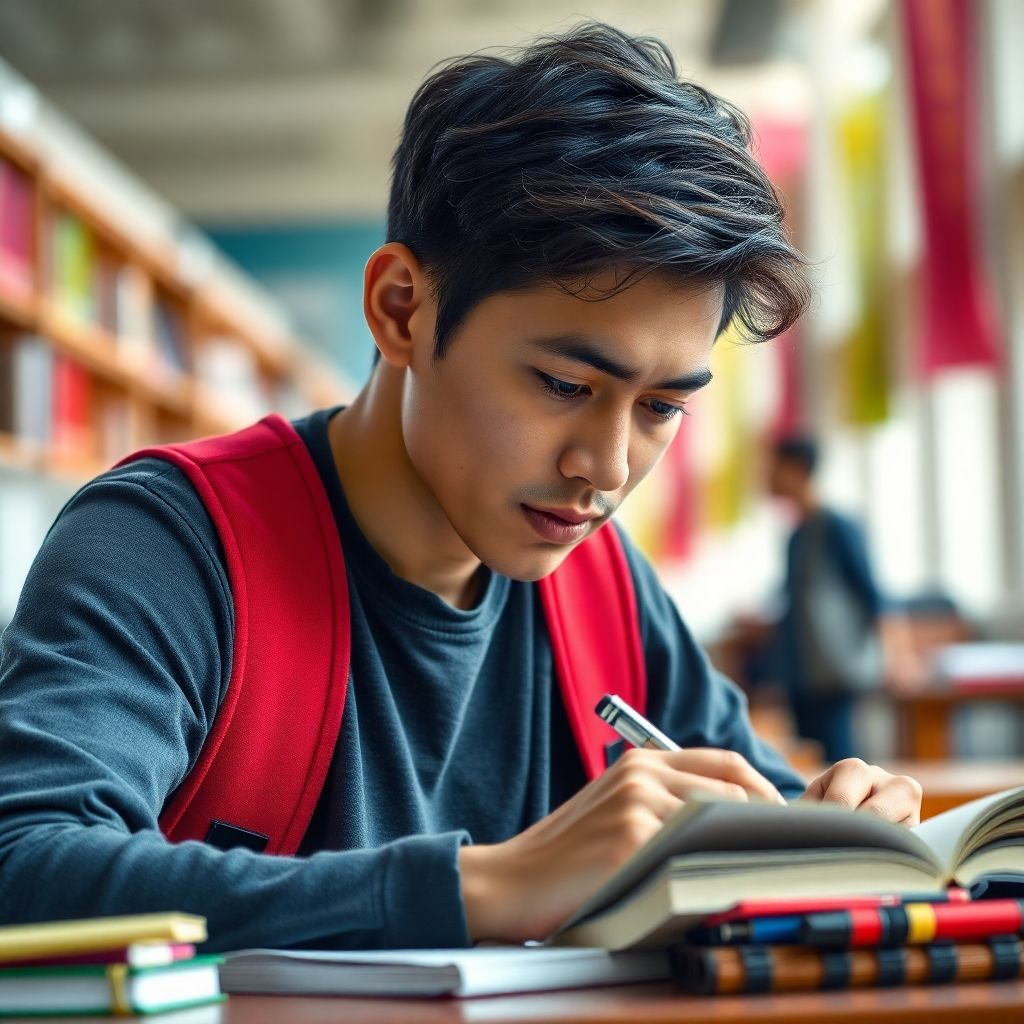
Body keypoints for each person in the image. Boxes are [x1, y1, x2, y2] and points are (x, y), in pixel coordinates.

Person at [0, 23, 922, 952]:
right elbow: (23, 861)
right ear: (402, 308)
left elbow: (754, 814)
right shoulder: (168, 545)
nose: (604, 470)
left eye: (660, 409)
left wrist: (832, 826)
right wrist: (487, 883)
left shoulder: (602, 586)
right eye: (565, 386)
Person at [768, 435, 923, 763]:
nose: (766, 476)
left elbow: (875, 594)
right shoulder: (797, 535)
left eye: (773, 467)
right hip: (802, 674)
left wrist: (900, 657)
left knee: (842, 760)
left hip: (834, 674)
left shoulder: (838, 527)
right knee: (810, 761)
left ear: (796, 470)